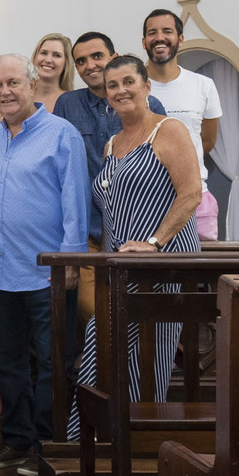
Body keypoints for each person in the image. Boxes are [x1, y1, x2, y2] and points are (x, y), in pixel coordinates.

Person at [67, 55, 201, 440]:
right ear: (106, 95)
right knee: (101, 344)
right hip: (121, 272)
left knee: (147, 359)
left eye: (128, 82)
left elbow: (190, 194)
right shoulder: (112, 143)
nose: (120, 90)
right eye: (112, 85)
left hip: (162, 268)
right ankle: (96, 440)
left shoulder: (168, 130)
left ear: (146, 87)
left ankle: (139, 443)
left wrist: (155, 244)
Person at [0, 54, 88, 476]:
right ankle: (16, 442)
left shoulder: (62, 134)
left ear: (32, 85)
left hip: (49, 272)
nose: (5, 92)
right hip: (3, 273)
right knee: (8, 364)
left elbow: (75, 198)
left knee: (54, 363)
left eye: (12, 83)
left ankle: (50, 444)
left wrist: (71, 258)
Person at [54, 31, 166, 325]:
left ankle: (129, 365)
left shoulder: (149, 105)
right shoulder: (68, 104)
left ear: (114, 58)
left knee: (138, 307)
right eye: (80, 61)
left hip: (137, 229)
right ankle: (108, 363)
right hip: (90, 227)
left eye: (97, 57)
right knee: (93, 308)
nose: (89, 65)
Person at [142, 9, 222, 240]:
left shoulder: (203, 86)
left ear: (180, 39)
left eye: (167, 31)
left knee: (201, 274)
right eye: (152, 33)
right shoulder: (134, 88)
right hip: (147, 201)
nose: (159, 38)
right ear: (144, 41)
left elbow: (206, 141)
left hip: (197, 200)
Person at [31, 33, 74, 114]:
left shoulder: (72, 103)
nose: (48, 60)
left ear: (66, 63)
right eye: (44, 53)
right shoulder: (20, 96)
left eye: (57, 55)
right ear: (35, 57)